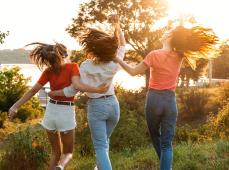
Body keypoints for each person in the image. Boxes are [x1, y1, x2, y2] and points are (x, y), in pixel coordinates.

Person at [114, 26, 218, 170]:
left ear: (170, 37)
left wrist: (118, 59)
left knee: (155, 136)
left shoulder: (153, 55)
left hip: (154, 100)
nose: (164, 32)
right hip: (170, 101)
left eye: (167, 32)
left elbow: (132, 72)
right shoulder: (179, 56)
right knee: (166, 144)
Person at [8, 42, 108, 170]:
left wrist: (15, 106)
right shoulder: (73, 67)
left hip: (51, 113)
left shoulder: (48, 71)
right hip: (65, 113)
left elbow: (33, 91)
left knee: (55, 153)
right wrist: (97, 90)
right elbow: (77, 86)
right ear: (64, 54)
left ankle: (57, 166)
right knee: (68, 153)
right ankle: (60, 167)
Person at [48, 14, 126, 170]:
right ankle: (99, 167)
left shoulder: (85, 66)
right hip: (113, 106)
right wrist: (117, 25)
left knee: (100, 146)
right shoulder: (115, 63)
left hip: (97, 107)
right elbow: (123, 44)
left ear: (93, 49)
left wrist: (55, 93)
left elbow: (73, 88)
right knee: (104, 141)